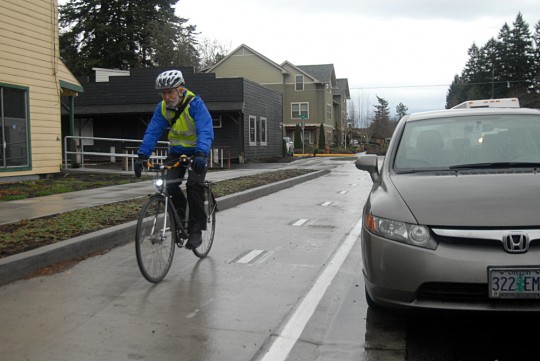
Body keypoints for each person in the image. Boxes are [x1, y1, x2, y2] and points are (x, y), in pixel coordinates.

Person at [135, 69, 214, 249]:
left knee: (194, 185)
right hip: (177, 152)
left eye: (169, 92)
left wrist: (202, 153)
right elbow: (153, 130)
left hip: (196, 153)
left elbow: (205, 129)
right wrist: (142, 155)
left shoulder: (195, 104)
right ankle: (181, 216)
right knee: (167, 184)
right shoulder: (163, 108)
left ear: (180, 89)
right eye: (163, 93)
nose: (166, 97)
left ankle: (196, 229)